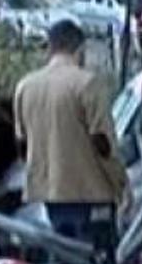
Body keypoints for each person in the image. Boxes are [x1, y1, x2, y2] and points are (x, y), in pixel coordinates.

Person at [12, 19, 129, 247]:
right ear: (80, 49)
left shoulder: (25, 88)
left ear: (50, 48)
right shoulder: (87, 85)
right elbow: (103, 144)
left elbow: (22, 146)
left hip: (50, 195)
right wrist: (121, 184)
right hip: (92, 194)